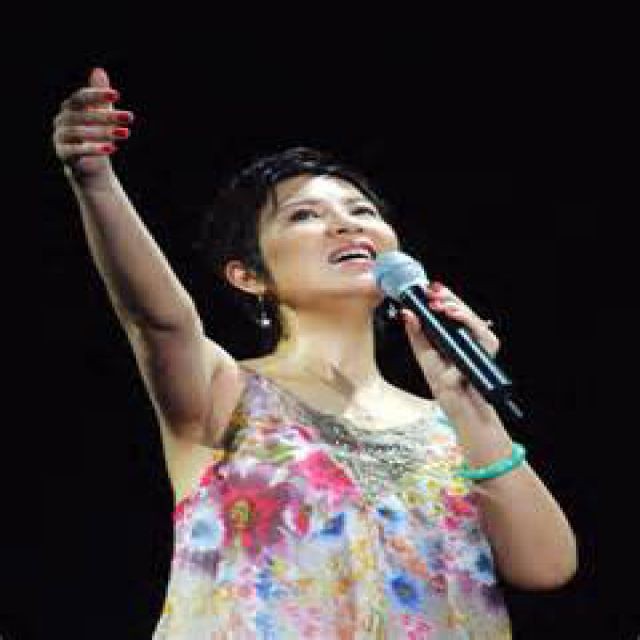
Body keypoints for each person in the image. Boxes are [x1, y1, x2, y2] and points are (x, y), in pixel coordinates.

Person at [52, 68, 578, 639]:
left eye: (362, 211)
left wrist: (468, 404)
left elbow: (546, 567)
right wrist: (95, 181)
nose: (345, 225)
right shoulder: (225, 390)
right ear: (249, 276)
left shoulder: (448, 426)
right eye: (305, 215)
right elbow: (158, 319)